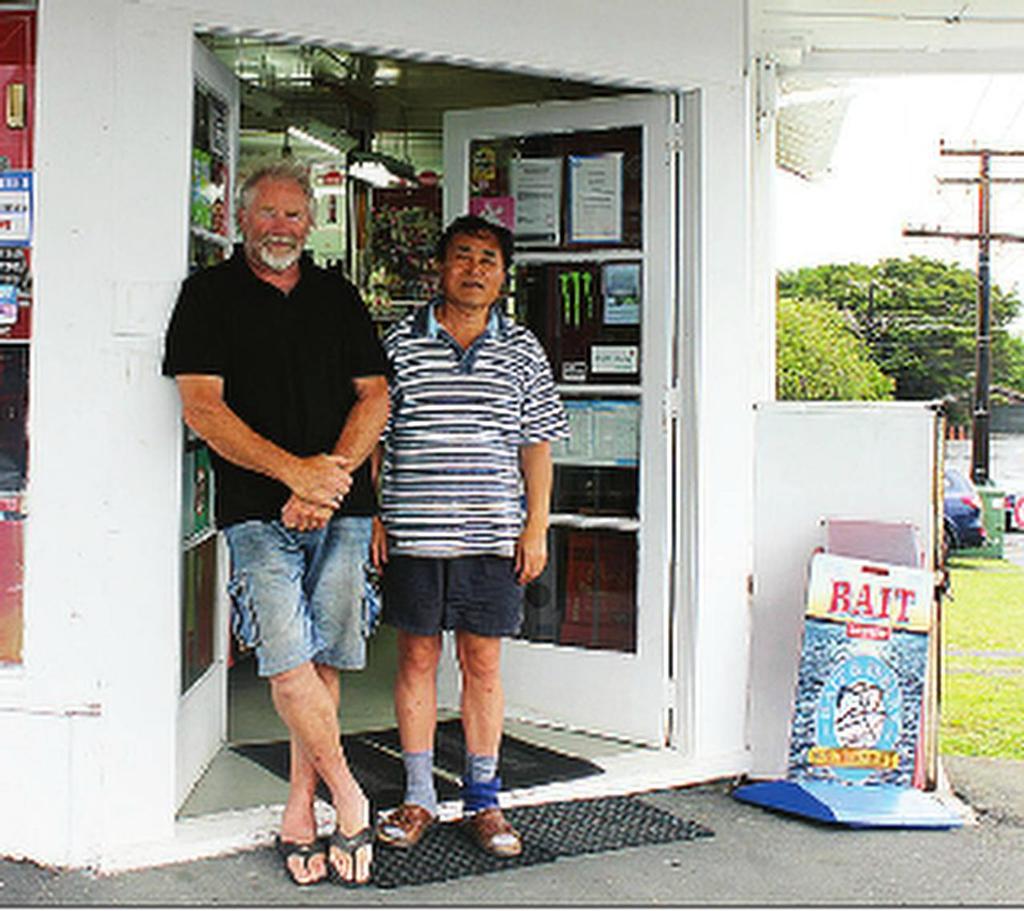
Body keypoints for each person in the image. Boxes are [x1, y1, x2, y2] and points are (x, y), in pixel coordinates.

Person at [162, 160, 389, 887]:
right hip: (256, 511)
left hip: (341, 507)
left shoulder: (338, 295)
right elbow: (202, 408)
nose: (281, 227)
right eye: (268, 214)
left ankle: (300, 807)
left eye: (295, 215)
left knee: (323, 661)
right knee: (289, 660)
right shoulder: (207, 296)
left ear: (310, 224)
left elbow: (376, 396)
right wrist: (296, 476)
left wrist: (329, 481)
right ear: (240, 217)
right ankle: (349, 798)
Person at [371, 215, 568, 857]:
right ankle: (419, 795)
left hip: (491, 535)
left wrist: (536, 524)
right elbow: (374, 438)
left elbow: (536, 444)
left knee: (482, 663)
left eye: (488, 258)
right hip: (415, 534)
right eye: (463, 255)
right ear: (441, 265)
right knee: (417, 659)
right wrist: (374, 514)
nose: (475, 268)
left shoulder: (523, 349)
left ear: (504, 275)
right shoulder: (399, 342)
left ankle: (484, 799)